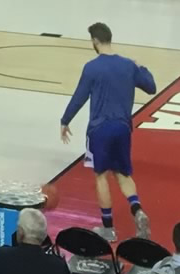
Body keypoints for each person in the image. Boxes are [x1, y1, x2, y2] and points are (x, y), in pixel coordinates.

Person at [59, 21, 157, 241]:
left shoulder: (92, 67)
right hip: (123, 128)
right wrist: (140, 66)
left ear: (95, 41)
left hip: (99, 130)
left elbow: (79, 97)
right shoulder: (128, 65)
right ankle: (137, 210)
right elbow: (151, 87)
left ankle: (108, 228)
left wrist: (65, 120)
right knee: (123, 174)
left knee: (101, 176)